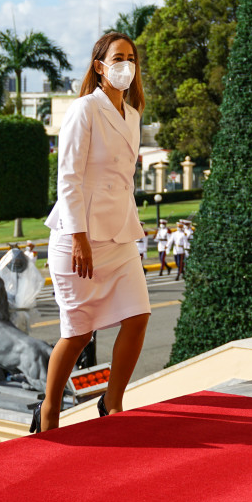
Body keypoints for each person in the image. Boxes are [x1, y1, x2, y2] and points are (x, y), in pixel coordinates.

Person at [36, 32, 151, 432]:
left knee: (138, 316)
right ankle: (49, 410)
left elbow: (124, 179)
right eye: (118, 58)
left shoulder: (133, 115)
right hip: (78, 237)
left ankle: (112, 401)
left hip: (119, 235)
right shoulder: (84, 109)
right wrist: (79, 237)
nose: (126, 65)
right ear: (99, 66)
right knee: (79, 333)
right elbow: (67, 178)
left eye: (131, 57)